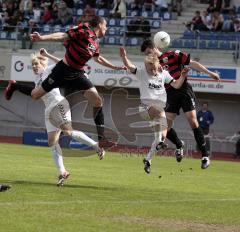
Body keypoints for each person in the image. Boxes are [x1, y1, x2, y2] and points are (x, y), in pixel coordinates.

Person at [4, 48, 105, 186]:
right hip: (48, 110)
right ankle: (62, 171)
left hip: (59, 104)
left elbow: (65, 65)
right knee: (52, 142)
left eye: (36, 64)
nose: (34, 67)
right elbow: (34, 93)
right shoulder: (36, 79)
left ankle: (97, 147)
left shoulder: (49, 70)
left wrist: (47, 55)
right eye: (33, 65)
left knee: (68, 132)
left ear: (43, 64)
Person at [28, 16, 126, 148]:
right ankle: (15, 86)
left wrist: (114, 67)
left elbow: (98, 59)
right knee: (35, 95)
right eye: (106, 25)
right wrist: (41, 38)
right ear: (99, 24)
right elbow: (63, 35)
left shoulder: (95, 43)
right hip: (62, 70)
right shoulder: (84, 29)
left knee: (97, 101)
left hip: (78, 74)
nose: (107, 28)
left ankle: (101, 139)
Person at [140, 37, 220, 169]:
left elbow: (192, 63)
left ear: (155, 47)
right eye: (146, 54)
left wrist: (209, 73)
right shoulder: (152, 64)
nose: (148, 55)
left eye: (149, 52)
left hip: (183, 90)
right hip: (170, 94)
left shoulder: (173, 54)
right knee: (167, 126)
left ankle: (205, 155)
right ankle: (179, 145)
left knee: (193, 121)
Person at [119, 47, 189, 173]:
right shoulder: (141, 73)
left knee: (159, 136)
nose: (152, 71)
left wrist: (182, 76)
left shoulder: (164, 74)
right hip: (145, 109)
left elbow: (177, 85)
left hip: (158, 111)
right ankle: (162, 142)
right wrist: (124, 57)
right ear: (146, 67)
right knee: (161, 113)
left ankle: (148, 160)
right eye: (150, 69)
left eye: (154, 68)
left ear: (158, 66)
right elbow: (129, 66)